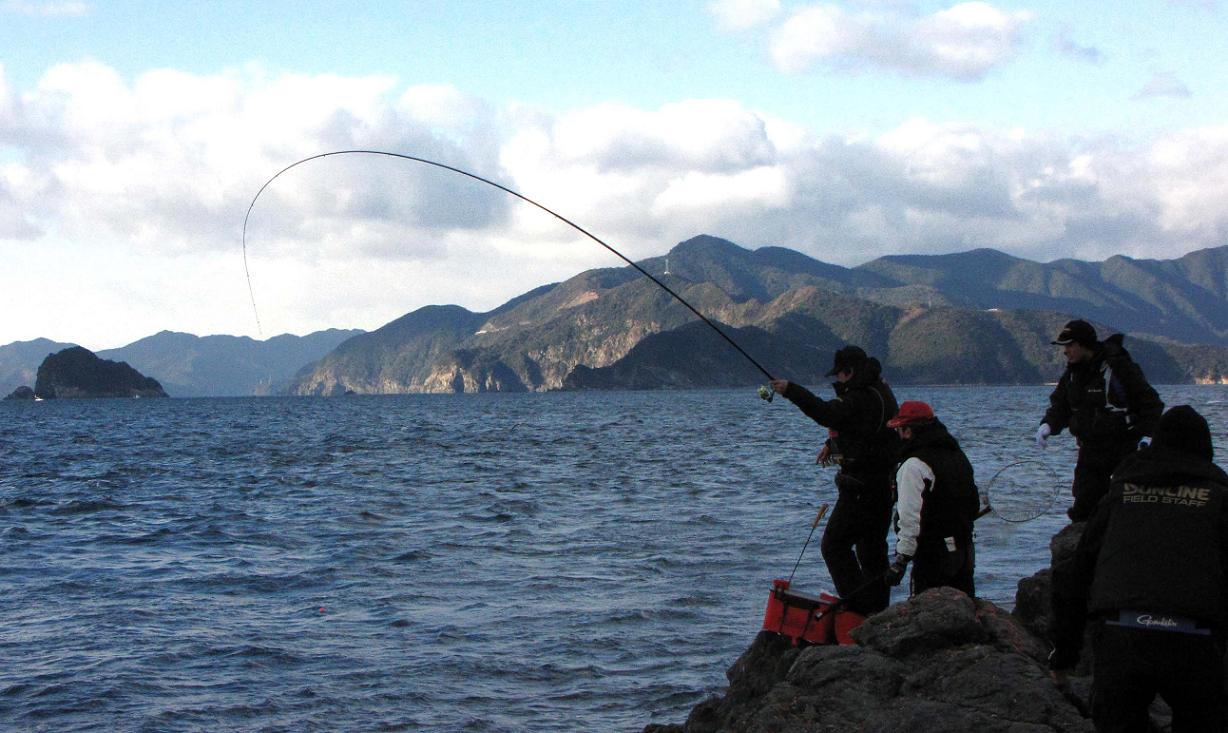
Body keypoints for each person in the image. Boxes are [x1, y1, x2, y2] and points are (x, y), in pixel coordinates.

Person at [1049, 405, 1228, 731]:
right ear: (1206, 451)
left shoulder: (1121, 493)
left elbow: (1075, 574)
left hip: (1122, 633)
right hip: (1196, 638)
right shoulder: (1219, 498)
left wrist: (1063, 656)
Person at [770, 345, 899, 616]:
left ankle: (857, 609)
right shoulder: (881, 391)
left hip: (860, 487)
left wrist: (792, 391)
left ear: (848, 372)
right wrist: (834, 443)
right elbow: (866, 431)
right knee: (872, 552)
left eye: (839, 374)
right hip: (884, 486)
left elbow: (827, 413)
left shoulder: (859, 397)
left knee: (834, 546)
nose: (838, 379)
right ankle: (877, 612)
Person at [1037, 319, 1163, 521]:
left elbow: (1151, 404)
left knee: (1129, 506)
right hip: (1090, 451)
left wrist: (1148, 435)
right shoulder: (1072, 374)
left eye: (1069, 345)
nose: (1065, 351)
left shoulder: (1119, 368)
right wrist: (1048, 425)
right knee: (1084, 508)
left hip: (1125, 449)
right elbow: (1061, 405)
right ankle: (1084, 537)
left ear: (1083, 344)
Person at [882, 400, 979, 597]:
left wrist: (902, 559)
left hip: (934, 556)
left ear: (908, 431)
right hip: (965, 550)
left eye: (899, 429)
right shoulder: (957, 454)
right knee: (965, 607)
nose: (897, 434)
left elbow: (909, 517)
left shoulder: (913, 465)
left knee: (929, 610)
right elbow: (973, 503)